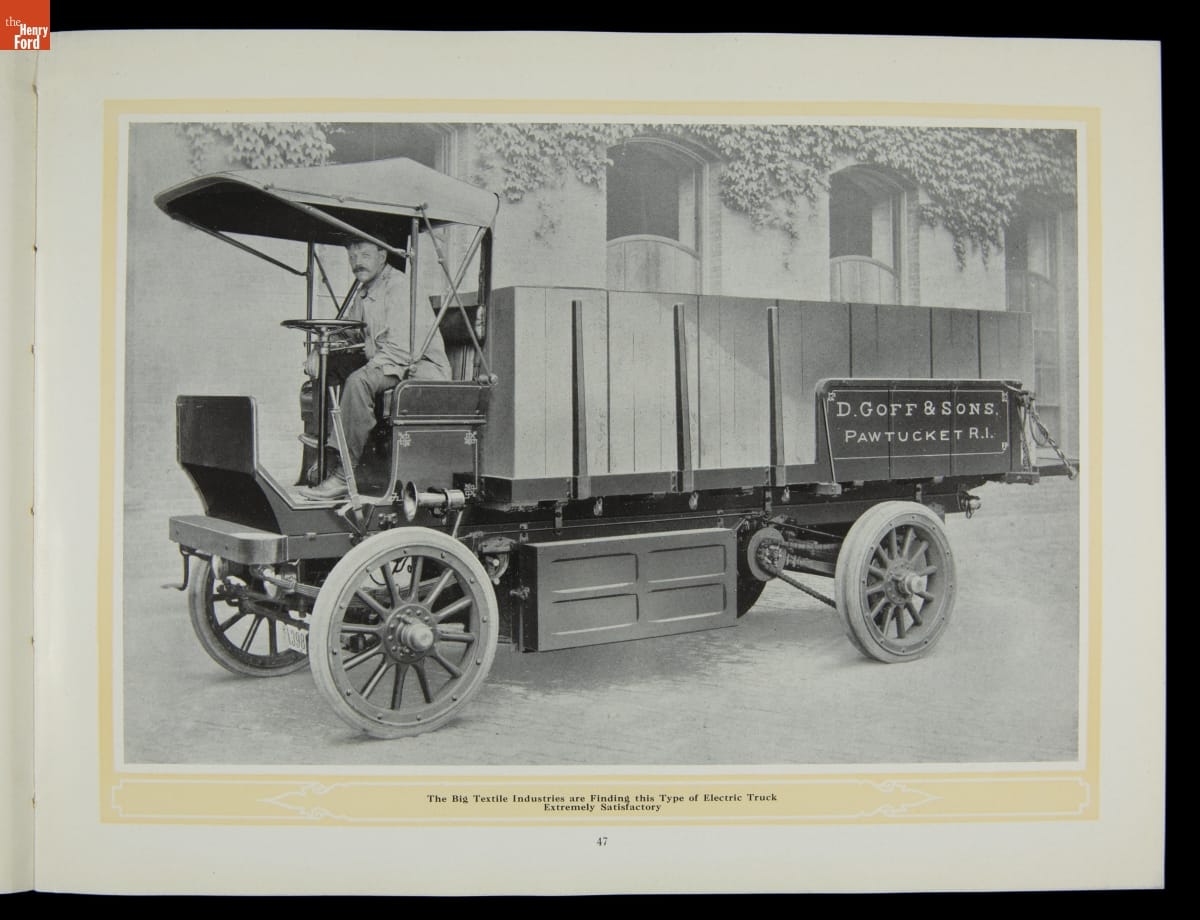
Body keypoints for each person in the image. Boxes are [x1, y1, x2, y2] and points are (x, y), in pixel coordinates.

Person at [301, 239, 450, 500]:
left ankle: (344, 476)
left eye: (365, 255)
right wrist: (320, 350)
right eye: (352, 257)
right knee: (329, 367)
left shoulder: (399, 287)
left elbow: (401, 350)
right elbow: (349, 332)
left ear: (382, 256)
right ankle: (326, 451)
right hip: (390, 362)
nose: (357, 263)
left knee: (359, 381)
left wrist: (367, 370)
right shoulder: (366, 290)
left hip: (420, 368)